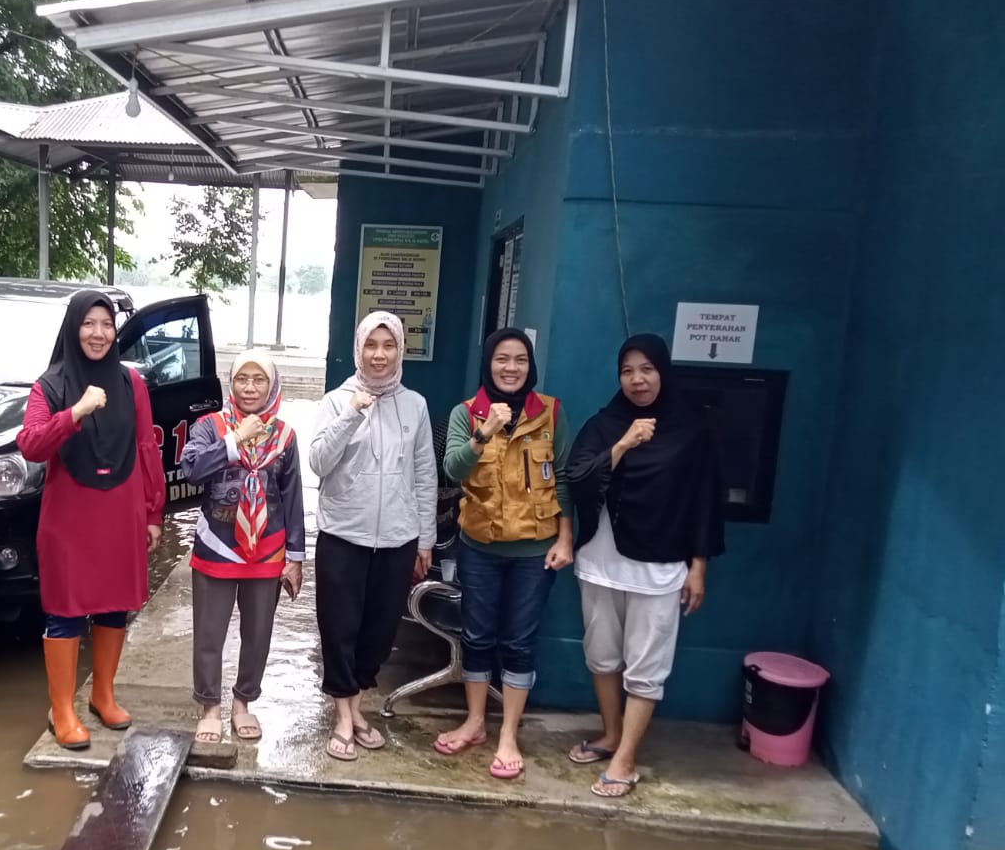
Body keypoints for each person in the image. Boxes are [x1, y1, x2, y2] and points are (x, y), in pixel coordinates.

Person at [566, 333, 724, 799]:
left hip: (659, 568)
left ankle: (626, 758)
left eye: (647, 369)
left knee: (646, 665)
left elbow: (704, 501)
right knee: (601, 654)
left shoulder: (691, 429)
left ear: (663, 371)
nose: (637, 380)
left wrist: (699, 566)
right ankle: (611, 733)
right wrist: (623, 445)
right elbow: (577, 479)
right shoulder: (604, 424)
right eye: (628, 371)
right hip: (600, 563)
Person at [17, 289, 164, 750]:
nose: (98, 333)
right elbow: (32, 444)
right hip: (69, 515)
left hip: (120, 510)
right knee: (65, 609)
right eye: (89, 324)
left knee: (113, 605)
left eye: (106, 324)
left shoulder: (130, 383)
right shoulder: (50, 384)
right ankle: (61, 708)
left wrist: (152, 511)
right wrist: (75, 413)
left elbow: (145, 447)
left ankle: (103, 694)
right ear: (73, 328)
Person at [436, 328, 573, 776]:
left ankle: (508, 734)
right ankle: (474, 722)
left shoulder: (550, 413)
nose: (510, 367)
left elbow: (567, 479)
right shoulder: (466, 413)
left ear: (530, 366)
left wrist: (565, 538)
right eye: (501, 359)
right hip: (480, 545)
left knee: (519, 640)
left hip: (536, 550)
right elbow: (453, 469)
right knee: (477, 636)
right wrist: (483, 433)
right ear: (488, 364)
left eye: (519, 359)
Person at [308, 310, 437, 762]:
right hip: (344, 534)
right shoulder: (335, 400)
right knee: (339, 628)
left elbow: (424, 473)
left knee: (379, 631)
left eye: (389, 346)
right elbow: (319, 463)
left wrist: (424, 539)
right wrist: (350, 415)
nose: (379, 355)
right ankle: (344, 717)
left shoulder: (415, 405)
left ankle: (356, 708)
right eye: (371, 345)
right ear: (358, 348)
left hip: (398, 539)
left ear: (401, 350)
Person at [179, 350, 306, 745]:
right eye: (242, 379)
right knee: (209, 633)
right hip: (217, 546)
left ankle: (242, 703)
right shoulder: (209, 426)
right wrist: (235, 439)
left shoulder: (284, 435)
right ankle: (210, 706)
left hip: (267, 550)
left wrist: (295, 557)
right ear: (230, 384)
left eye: (259, 380)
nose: (250, 387)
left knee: (258, 634)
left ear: (272, 385)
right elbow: (193, 469)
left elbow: (291, 496)